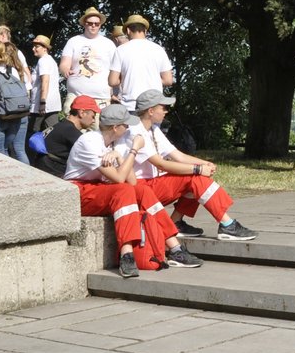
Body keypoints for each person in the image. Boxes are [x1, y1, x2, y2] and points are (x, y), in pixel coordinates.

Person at [64, 103, 198, 276]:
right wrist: (134, 150)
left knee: (142, 191)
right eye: (126, 125)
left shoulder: (113, 144)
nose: (129, 129)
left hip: (97, 189)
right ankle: (126, 254)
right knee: (123, 190)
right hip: (78, 192)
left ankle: (175, 247)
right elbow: (120, 179)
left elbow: (133, 182)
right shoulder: (89, 142)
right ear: (115, 127)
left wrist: (121, 157)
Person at [129, 91, 257, 241]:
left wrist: (203, 163)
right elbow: (161, 164)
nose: (166, 111)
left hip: (152, 184)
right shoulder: (136, 131)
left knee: (195, 179)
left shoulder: (152, 129)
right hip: (141, 188)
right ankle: (227, 225)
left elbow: (178, 155)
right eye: (163, 107)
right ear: (150, 111)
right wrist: (197, 169)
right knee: (194, 178)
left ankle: (177, 222)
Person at [108, 13, 174, 107]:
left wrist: (125, 78)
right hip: (154, 104)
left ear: (128, 30)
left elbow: (112, 81)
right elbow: (168, 80)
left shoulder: (121, 50)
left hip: (130, 104)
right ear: (145, 31)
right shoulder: (158, 49)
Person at [30, 95, 102, 176]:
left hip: (43, 169)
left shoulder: (62, 125)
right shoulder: (70, 131)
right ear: (82, 113)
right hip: (53, 175)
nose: (93, 121)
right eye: (93, 116)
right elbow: (95, 155)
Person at [60, 7, 117, 107]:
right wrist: (65, 70)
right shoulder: (73, 41)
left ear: (100, 25)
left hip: (101, 98)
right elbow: (64, 64)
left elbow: (116, 70)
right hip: (76, 96)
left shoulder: (109, 44)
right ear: (84, 24)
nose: (93, 26)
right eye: (90, 23)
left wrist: (116, 92)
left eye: (97, 24)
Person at [29, 33, 62, 134]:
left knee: (33, 133)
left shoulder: (43, 61)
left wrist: (42, 102)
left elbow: (45, 81)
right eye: (33, 46)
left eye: (37, 46)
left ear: (45, 48)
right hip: (52, 105)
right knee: (51, 133)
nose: (33, 49)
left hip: (42, 105)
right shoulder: (50, 60)